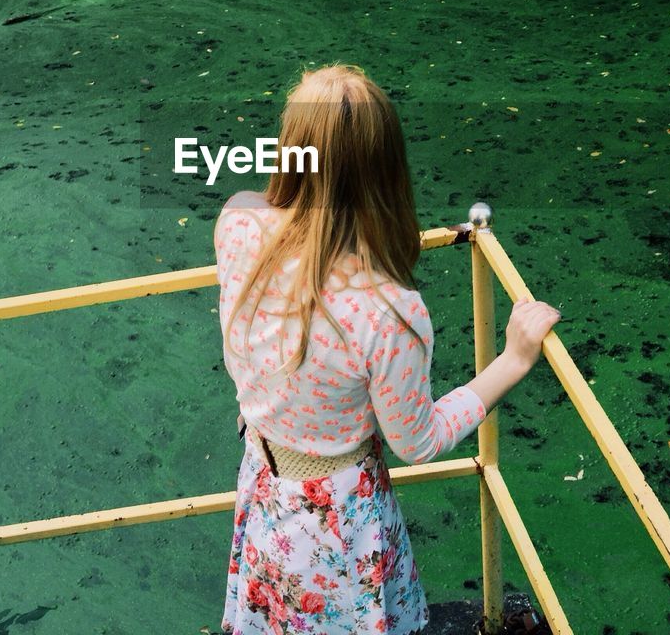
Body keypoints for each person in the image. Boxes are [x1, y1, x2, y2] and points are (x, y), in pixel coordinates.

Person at [217, 64, 560, 635]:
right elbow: (416, 440)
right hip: (340, 524)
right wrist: (514, 360)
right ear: (387, 171)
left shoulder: (238, 223)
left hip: (265, 485)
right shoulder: (386, 310)